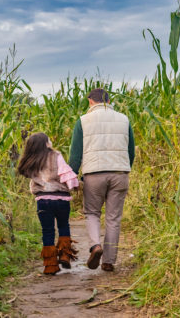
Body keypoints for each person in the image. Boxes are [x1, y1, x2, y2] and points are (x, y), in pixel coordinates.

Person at [69, 88, 135, 272]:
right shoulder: (124, 119)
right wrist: (125, 167)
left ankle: (95, 246)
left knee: (92, 213)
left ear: (90, 101)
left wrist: (72, 175)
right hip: (120, 173)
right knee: (113, 218)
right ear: (108, 100)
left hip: (94, 174)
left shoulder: (83, 121)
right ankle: (109, 261)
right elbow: (131, 151)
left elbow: (75, 154)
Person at [18, 132, 79, 275]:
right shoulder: (56, 156)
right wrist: (73, 185)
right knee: (64, 225)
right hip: (61, 198)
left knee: (47, 231)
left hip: (43, 200)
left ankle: (50, 265)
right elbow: (66, 173)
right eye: (49, 140)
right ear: (46, 143)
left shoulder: (32, 160)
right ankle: (64, 255)